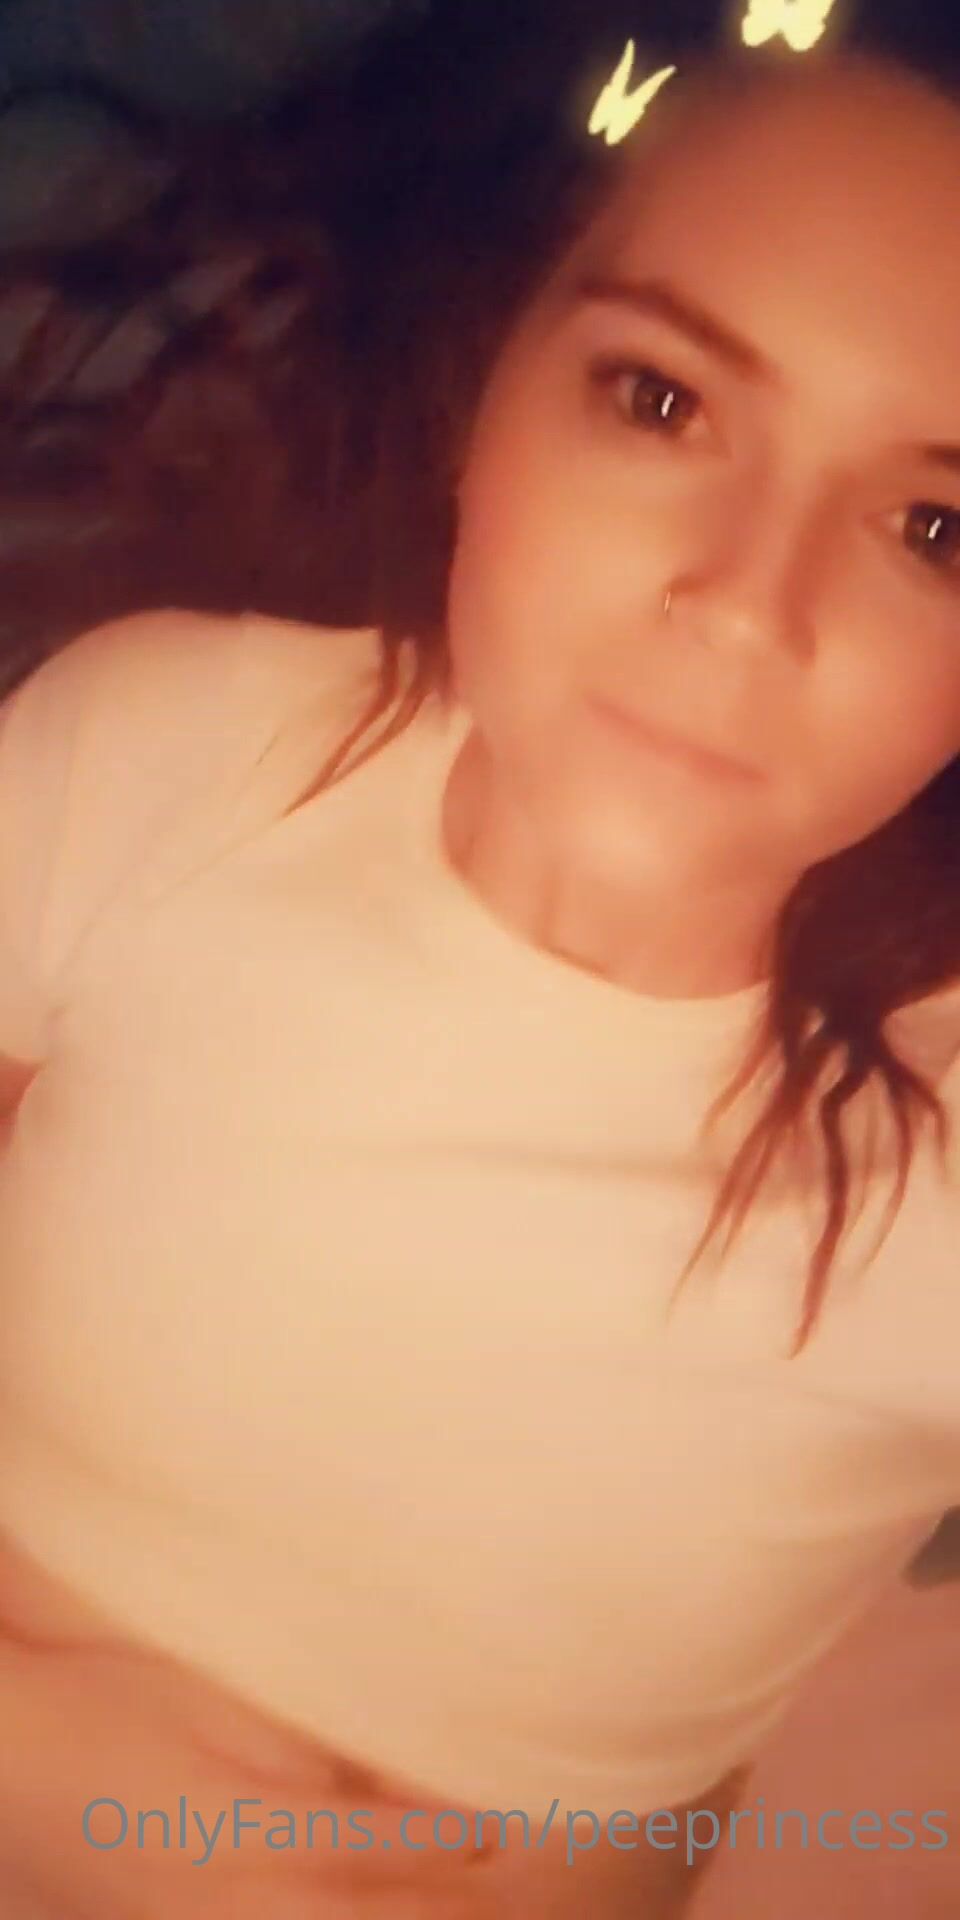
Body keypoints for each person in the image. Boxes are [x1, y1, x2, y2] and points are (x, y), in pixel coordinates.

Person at [0, 25, 958, 1920]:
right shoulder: (159, 757)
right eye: (662, 401)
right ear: (486, 384)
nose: (743, 605)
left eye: (939, 528)